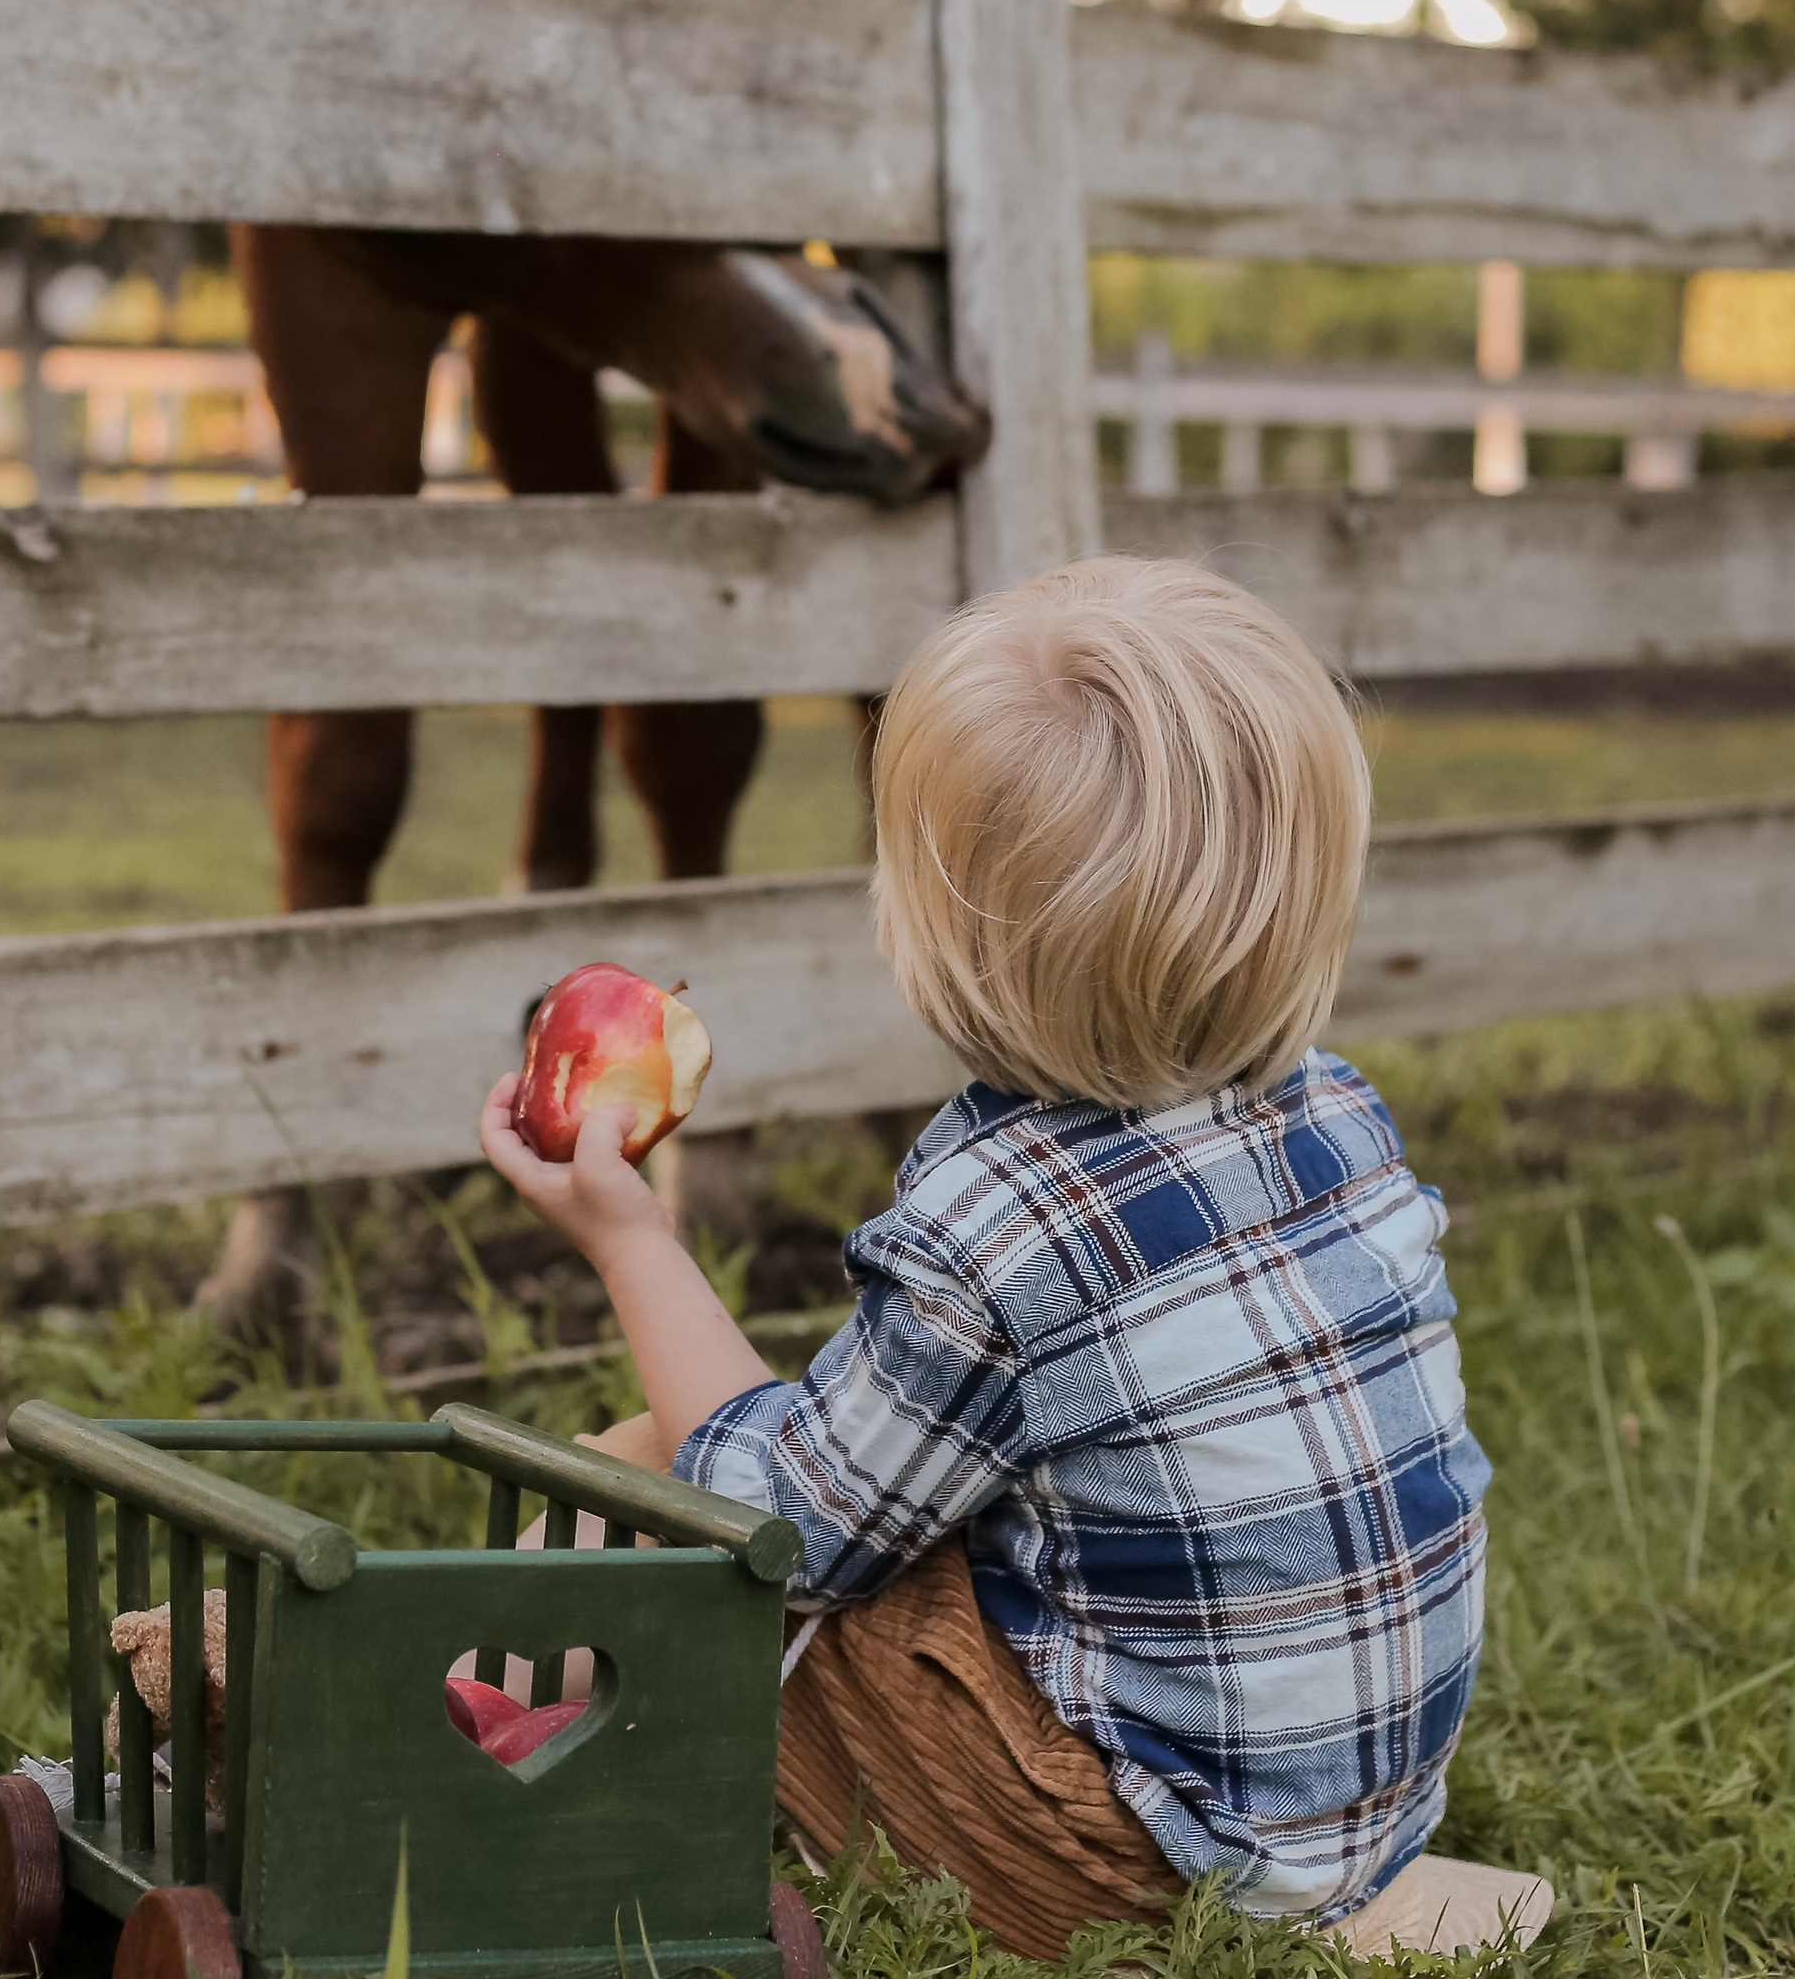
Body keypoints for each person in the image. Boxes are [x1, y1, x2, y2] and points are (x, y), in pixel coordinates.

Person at [478, 556, 1493, 1956]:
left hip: (1126, 1862)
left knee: (655, 1479)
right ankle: (491, 1706)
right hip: (1358, 1819)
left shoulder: (1007, 1223)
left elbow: (783, 1531)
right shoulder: (1336, 1114)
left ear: (938, 925)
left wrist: (628, 1237)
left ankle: (435, 1742)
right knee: (701, 1445)